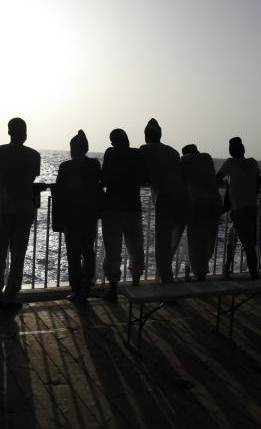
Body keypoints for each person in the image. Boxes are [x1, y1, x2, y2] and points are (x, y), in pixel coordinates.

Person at [0, 117, 41, 311]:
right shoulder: (34, 155)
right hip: (24, 208)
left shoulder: (0, 151)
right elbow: (31, 178)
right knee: (18, 256)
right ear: (25, 133)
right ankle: (10, 297)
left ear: (9, 131)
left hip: (3, 207)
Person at [53, 130, 102, 301]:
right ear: (86, 148)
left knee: (73, 254)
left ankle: (77, 290)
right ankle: (87, 287)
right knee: (88, 252)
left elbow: (59, 191)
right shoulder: (95, 165)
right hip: (89, 215)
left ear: (72, 148)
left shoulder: (65, 167)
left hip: (71, 216)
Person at [140, 118, 188, 283]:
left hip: (165, 198)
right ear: (160, 135)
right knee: (172, 243)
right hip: (183, 197)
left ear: (146, 136)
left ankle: (166, 283)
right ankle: (167, 279)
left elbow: (142, 173)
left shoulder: (144, 150)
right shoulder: (174, 151)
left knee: (162, 244)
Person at [100, 128, 146, 298]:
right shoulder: (137, 154)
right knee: (135, 246)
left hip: (112, 206)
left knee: (113, 249)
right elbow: (144, 178)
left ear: (113, 142)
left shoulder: (111, 153)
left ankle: (113, 288)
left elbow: (103, 178)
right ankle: (135, 285)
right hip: (133, 206)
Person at [217, 137, 260, 278]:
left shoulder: (230, 162)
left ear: (231, 150)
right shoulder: (253, 162)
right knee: (234, 237)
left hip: (239, 209)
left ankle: (253, 273)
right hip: (252, 207)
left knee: (246, 244)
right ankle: (227, 269)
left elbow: (217, 178)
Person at [180, 144, 222, 281]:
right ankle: (202, 269)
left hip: (197, 203)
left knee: (195, 240)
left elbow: (180, 179)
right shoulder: (207, 157)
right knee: (209, 237)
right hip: (215, 202)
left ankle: (200, 273)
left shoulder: (184, 160)